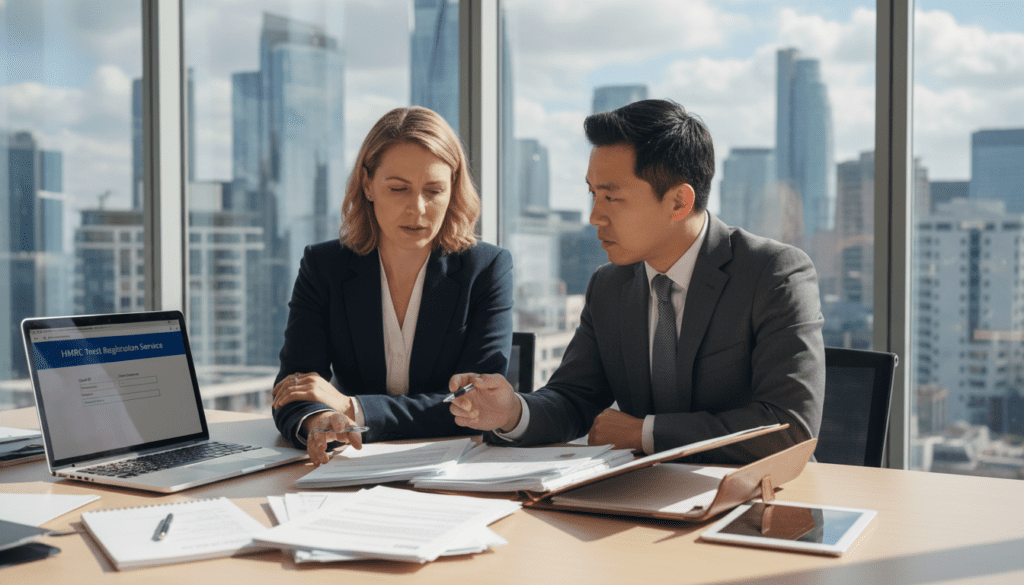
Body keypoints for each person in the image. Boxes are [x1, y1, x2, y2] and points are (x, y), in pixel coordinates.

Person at [448, 99, 824, 464]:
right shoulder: (609, 286)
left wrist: (646, 434)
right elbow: (574, 400)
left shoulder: (773, 273)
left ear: (679, 201)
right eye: (593, 194)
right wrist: (513, 412)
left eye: (612, 197)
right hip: (643, 496)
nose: (595, 216)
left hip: (757, 498)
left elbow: (790, 427)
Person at [272, 106, 513, 466]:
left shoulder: (486, 268)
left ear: (453, 189)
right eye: (398, 189)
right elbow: (297, 388)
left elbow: (474, 405)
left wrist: (351, 407)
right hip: (351, 466)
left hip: (455, 470)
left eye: (434, 190)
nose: (417, 209)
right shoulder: (324, 267)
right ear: (368, 185)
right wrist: (321, 420)